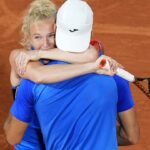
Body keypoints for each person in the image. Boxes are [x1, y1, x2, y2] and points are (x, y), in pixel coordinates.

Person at [4, 0, 139, 149]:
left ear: (59, 31)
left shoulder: (80, 57)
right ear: (28, 38)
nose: (46, 44)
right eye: (37, 37)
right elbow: (39, 75)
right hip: (30, 138)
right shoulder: (21, 57)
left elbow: (90, 55)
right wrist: (93, 67)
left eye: (51, 35)